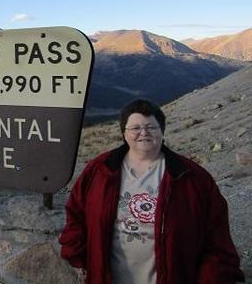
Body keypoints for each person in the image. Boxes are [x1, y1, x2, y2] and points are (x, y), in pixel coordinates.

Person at [59, 99, 244, 284]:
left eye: (151, 127)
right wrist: (76, 254)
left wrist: (212, 277)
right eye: (135, 128)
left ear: (162, 131)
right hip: (106, 277)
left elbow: (216, 238)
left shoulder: (191, 177)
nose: (143, 133)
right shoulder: (100, 170)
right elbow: (76, 212)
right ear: (124, 133)